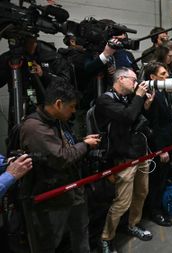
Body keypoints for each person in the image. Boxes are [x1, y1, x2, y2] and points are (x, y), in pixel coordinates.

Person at [20, 81, 101, 253]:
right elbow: (61, 157)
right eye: (71, 107)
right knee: (49, 241)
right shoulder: (34, 127)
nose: (73, 111)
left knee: (81, 231)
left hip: (72, 189)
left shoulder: (56, 120)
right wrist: (85, 145)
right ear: (58, 104)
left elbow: (66, 147)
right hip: (53, 198)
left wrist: (82, 142)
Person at [95, 67, 154, 252]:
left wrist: (145, 104)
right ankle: (106, 237)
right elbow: (127, 117)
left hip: (141, 153)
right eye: (133, 79)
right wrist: (139, 96)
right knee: (122, 202)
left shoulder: (129, 97)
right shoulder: (105, 100)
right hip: (124, 157)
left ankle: (133, 224)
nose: (136, 83)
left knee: (141, 193)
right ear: (120, 79)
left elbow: (140, 119)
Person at [143, 62, 172, 227]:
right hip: (159, 146)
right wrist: (161, 150)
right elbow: (153, 125)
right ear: (152, 77)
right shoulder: (150, 96)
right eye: (162, 74)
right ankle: (155, 212)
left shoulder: (163, 91)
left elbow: (165, 115)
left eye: (166, 73)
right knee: (156, 181)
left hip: (168, 141)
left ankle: (160, 206)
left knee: (163, 178)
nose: (167, 76)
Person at [0, 35, 71, 133]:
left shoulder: (50, 56)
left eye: (29, 39)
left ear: (35, 39)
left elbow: (66, 83)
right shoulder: (11, 58)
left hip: (46, 111)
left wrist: (43, 75)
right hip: (19, 109)